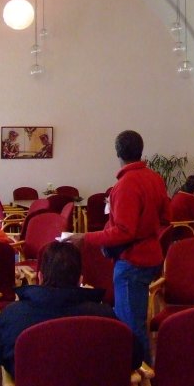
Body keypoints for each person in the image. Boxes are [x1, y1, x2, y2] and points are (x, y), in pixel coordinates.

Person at [69, 130, 170, 363]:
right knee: (136, 319)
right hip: (151, 255)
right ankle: (143, 370)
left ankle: (141, 373)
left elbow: (125, 231)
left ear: (118, 153)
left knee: (130, 324)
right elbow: (166, 216)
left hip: (132, 259)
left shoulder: (126, 184)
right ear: (141, 150)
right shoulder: (155, 178)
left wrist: (85, 238)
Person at [0, 242, 142, 377]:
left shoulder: (13, 315)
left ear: (40, 277)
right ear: (80, 280)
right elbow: (134, 357)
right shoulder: (105, 318)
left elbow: (1, 357)